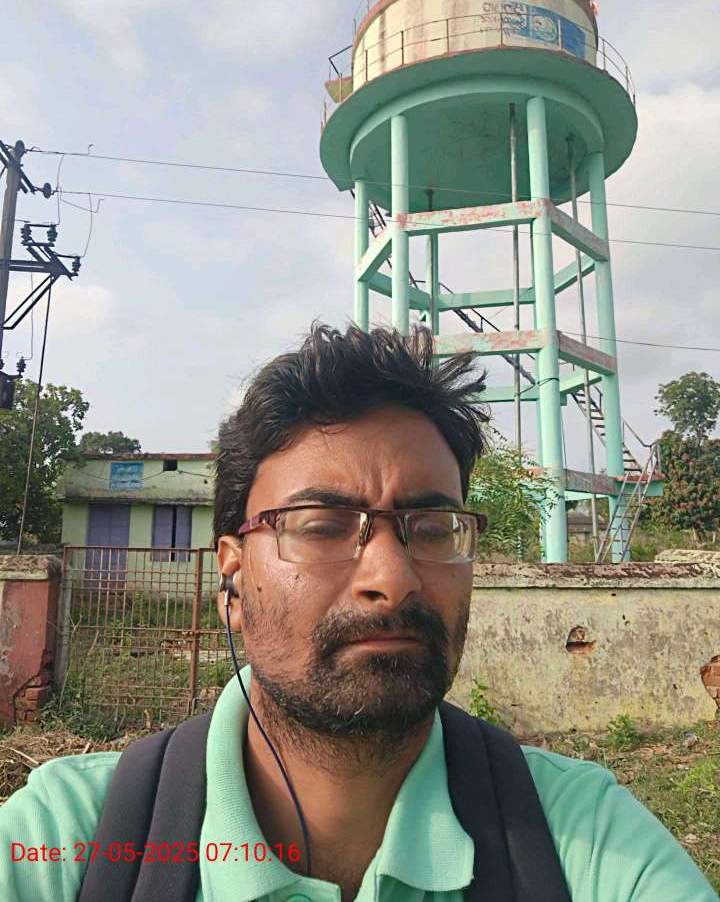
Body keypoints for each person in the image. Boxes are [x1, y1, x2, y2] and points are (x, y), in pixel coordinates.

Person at [0, 323, 717, 902]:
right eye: (321, 525)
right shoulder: (72, 841)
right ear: (234, 575)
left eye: (431, 528)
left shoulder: (582, 841)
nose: (392, 578)